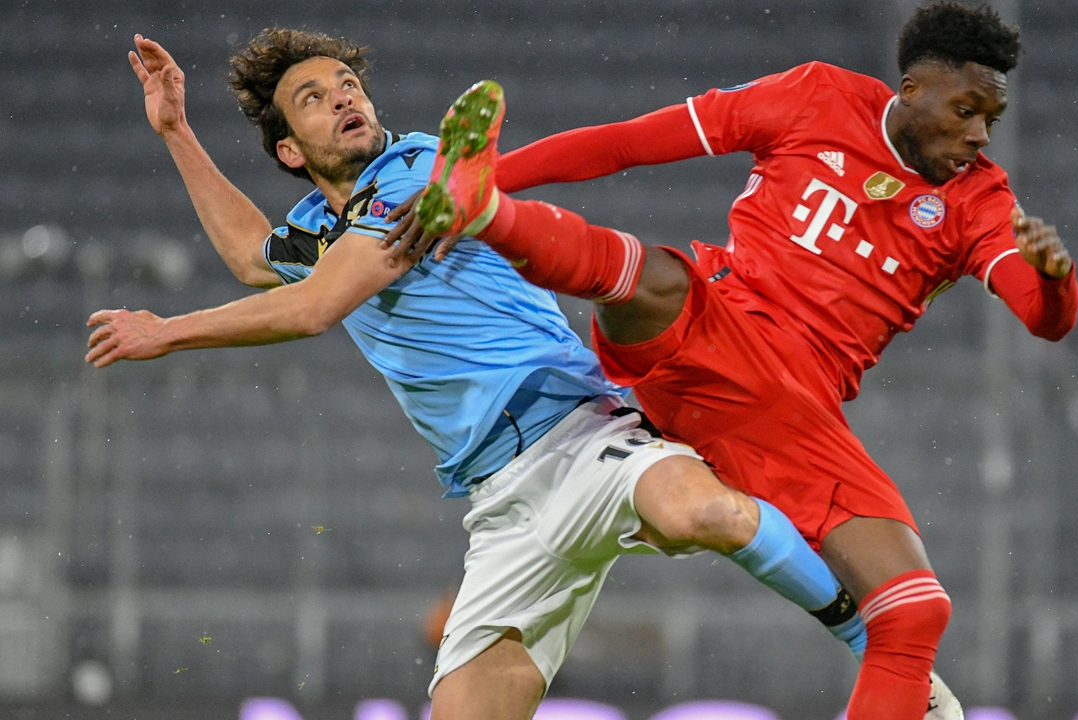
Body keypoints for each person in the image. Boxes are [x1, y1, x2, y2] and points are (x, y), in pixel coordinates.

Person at [84, 29, 922, 720]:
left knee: (697, 509)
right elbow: (250, 258)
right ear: (289, 152)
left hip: (579, 426)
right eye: (315, 97)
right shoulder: (315, 226)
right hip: (499, 500)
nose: (344, 96)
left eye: (348, 83)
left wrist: (168, 331)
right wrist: (174, 131)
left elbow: (315, 307)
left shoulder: (418, 172)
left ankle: (882, 654)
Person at [396, 2, 1078, 718]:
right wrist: (497, 176)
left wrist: (1056, 279)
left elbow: (1041, 315)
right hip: (709, 328)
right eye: (966, 110)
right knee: (653, 276)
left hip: (789, 410)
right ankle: (485, 210)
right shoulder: (816, 98)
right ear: (911, 89)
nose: (977, 135)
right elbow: (629, 143)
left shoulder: (979, 200)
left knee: (915, 612)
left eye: (990, 121)